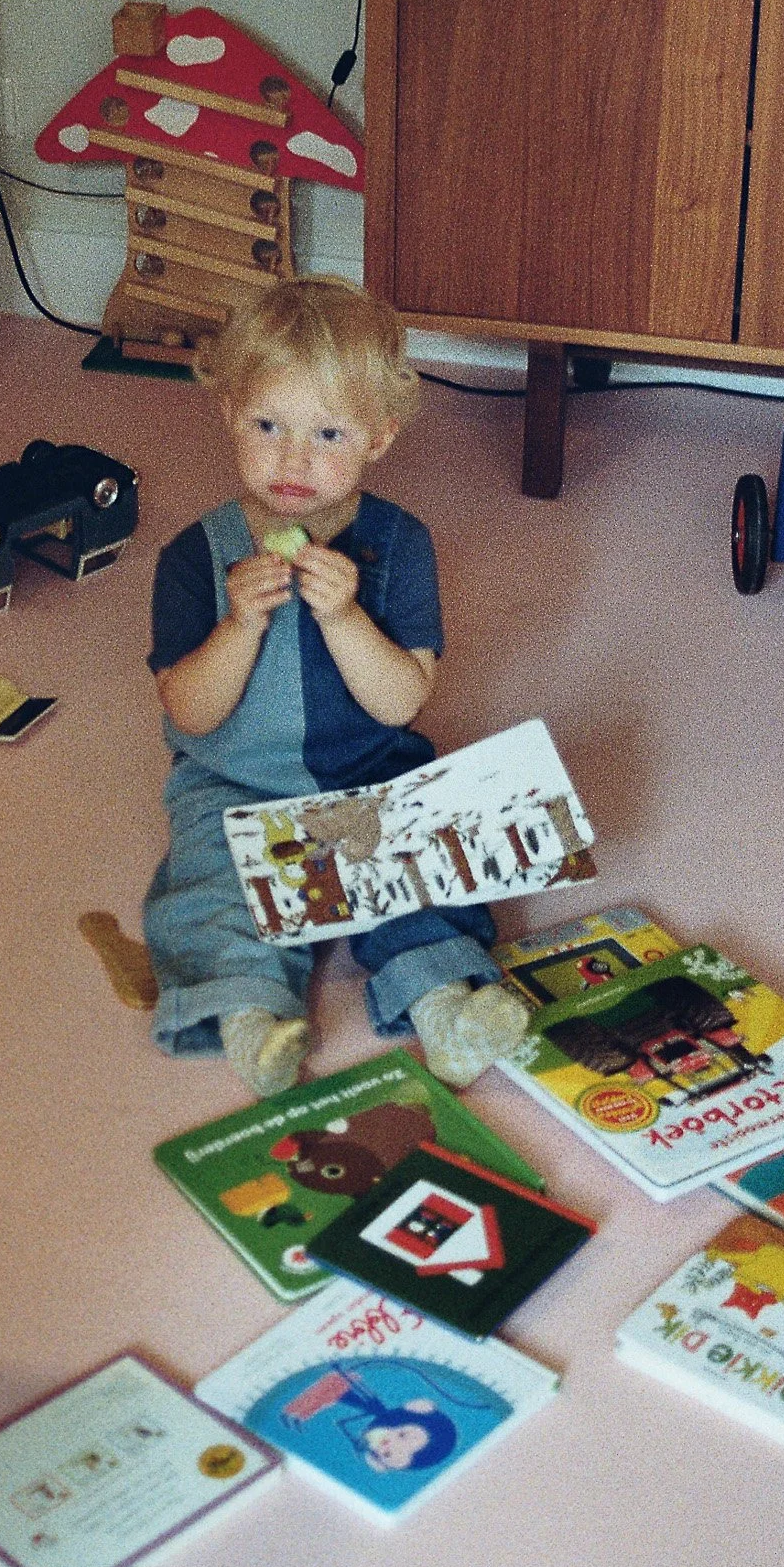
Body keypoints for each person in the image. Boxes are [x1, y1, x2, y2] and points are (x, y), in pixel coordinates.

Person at [144, 275, 532, 1096]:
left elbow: (400, 702)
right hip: (230, 784)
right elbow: (188, 709)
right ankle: (254, 1025)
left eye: (326, 433)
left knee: (424, 882)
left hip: (369, 772)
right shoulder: (194, 554)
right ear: (227, 414)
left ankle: (446, 1015)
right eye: (266, 426)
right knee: (212, 894)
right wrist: (236, 626)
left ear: (378, 439)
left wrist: (347, 617)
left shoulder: (399, 544)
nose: (292, 459)